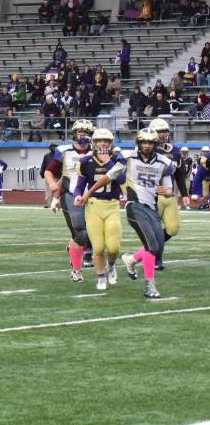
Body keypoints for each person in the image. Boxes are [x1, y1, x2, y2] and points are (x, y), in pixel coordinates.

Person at [81, 130, 187, 299]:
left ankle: (131, 259)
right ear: (138, 143)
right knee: (152, 246)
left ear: (155, 144)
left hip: (152, 207)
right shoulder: (127, 157)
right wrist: (88, 193)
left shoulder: (164, 162)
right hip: (135, 206)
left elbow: (167, 189)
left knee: (157, 248)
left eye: (150, 142)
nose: (147, 145)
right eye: (144, 142)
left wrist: (169, 192)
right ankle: (150, 286)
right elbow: (109, 176)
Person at [73, 129, 125, 290]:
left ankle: (111, 265)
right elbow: (79, 186)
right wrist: (77, 196)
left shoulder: (118, 159)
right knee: (98, 247)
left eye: (106, 141)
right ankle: (101, 276)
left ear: (111, 144)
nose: (103, 144)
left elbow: (121, 179)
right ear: (94, 143)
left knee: (114, 246)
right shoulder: (85, 161)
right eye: (100, 141)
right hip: (94, 206)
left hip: (112, 205)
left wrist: (108, 161)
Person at [47, 119, 94, 282]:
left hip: (92, 196)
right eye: (79, 132)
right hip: (70, 195)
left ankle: (74, 249)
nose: (82, 135)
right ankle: (76, 269)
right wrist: (54, 191)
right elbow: (49, 171)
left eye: (86, 132)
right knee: (81, 232)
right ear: (74, 133)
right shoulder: (64, 150)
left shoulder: (95, 152)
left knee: (91, 234)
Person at [148, 117, 189, 269]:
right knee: (156, 229)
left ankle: (148, 248)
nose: (162, 134)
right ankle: (156, 259)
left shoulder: (175, 151)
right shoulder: (146, 150)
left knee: (173, 228)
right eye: (159, 131)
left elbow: (179, 174)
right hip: (152, 196)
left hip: (169, 195)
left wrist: (184, 194)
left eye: (164, 131)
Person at [39, 143, 59, 207]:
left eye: (55, 147)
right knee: (50, 190)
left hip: (56, 176)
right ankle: (50, 204)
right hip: (52, 175)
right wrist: (42, 174)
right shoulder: (47, 156)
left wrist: (42, 174)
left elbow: (43, 166)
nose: (54, 148)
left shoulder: (48, 155)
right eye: (53, 147)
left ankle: (52, 204)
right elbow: (44, 166)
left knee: (51, 190)